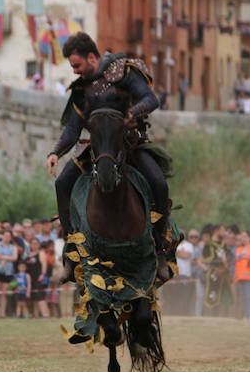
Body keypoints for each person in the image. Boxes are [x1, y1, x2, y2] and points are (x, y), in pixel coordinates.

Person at [44, 32, 170, 283]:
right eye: (72, 67)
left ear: (91, 57)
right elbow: (73, 128)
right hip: (97, 148)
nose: (75, 71)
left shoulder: (123, 71)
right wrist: (55, 152)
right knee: (62, 184)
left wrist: (131, 114)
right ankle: (72, 254)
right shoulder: (81, 89)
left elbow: (151, 99)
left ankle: (159, 250)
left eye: (77, 65)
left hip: (129, 145)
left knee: (158, 183)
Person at [234, 231, 250, 322]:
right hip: (240, 277)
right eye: (242, 237)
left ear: (249, 237)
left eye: (244, 236)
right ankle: (245, 315)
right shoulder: (238, 249)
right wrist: (235, 276)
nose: (242, 238)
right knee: (243, 297)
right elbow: (236, 263)